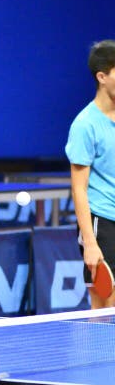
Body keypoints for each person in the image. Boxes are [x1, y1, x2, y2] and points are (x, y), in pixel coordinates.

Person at [66, 40, 115, 309]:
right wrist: (91, 244)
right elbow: (79, 189)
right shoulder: (85, 125)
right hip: (102, 222)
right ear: (102, 76)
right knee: (105, 308)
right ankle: (97, 354)